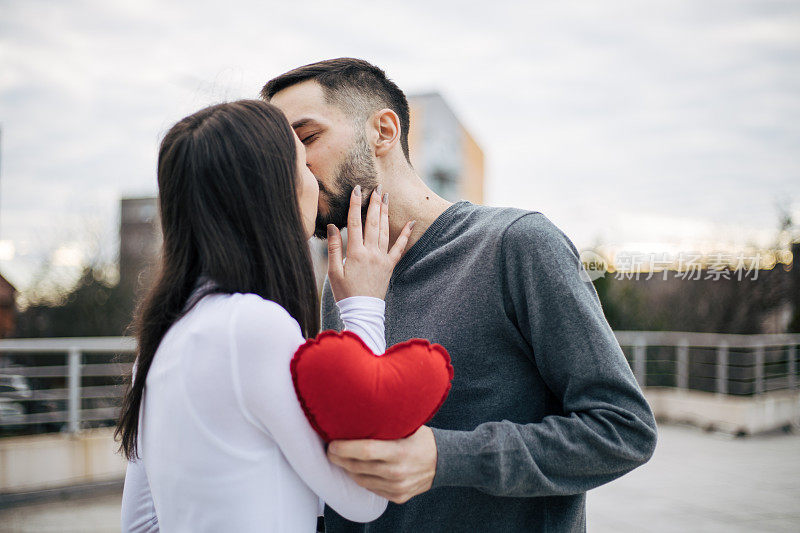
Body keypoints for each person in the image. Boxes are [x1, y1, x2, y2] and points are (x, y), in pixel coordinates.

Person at [262, 58, 659, 532]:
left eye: (307, 139)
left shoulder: (517, 244)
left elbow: (624, 430)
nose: (295, 173)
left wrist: (446, 457)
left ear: (383, 132)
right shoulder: (343, 281)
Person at [115, 99, 415, 532]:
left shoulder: (162, 338)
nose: (314, 178)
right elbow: (365, 495)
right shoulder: (252, 328)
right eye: (301, 164)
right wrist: (364, 308)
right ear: (275, 192)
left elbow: (140, 523)